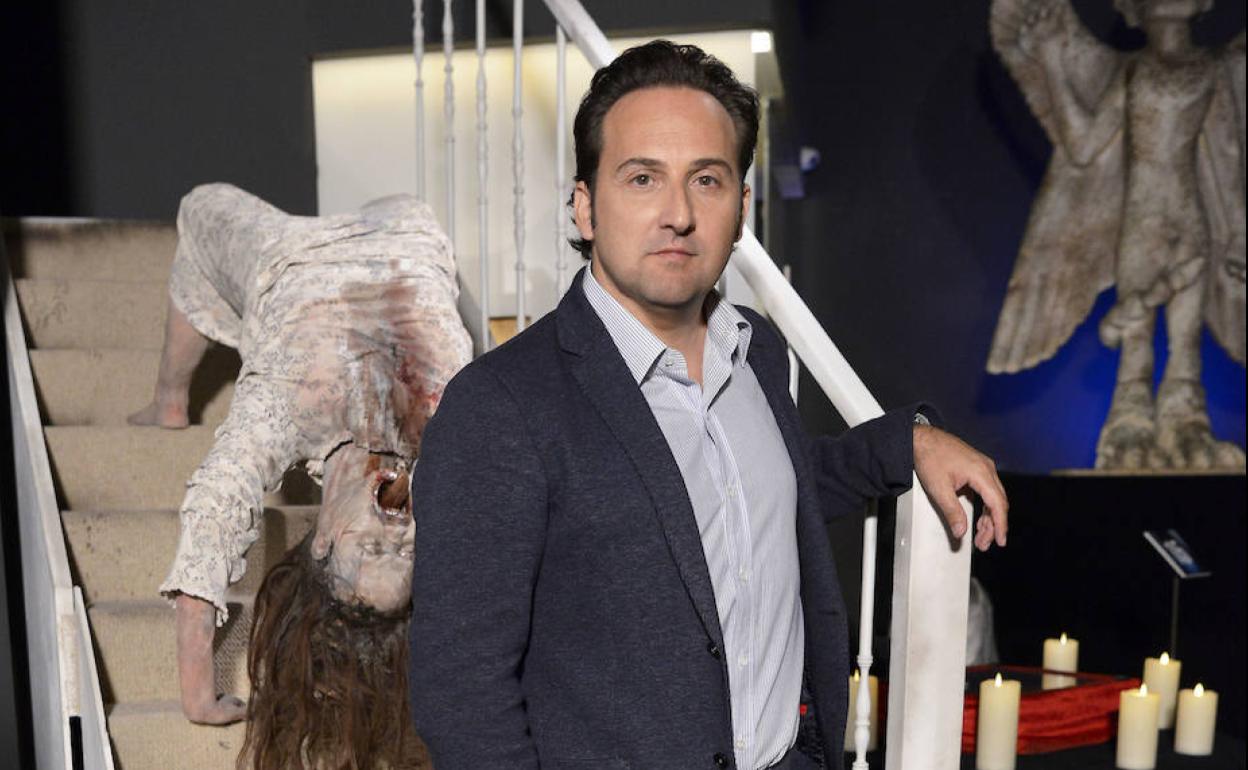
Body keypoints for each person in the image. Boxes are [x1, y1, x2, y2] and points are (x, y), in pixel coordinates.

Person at [408, 41, 1008, 770]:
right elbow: (461, 695)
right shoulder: (500, 406)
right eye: (642, 178)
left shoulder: (757, 352)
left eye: (707, 180)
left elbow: (754, 493)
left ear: (741, 207)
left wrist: (905, 442)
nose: (679, 214)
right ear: (586, 207)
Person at [136, 183, 469, 768]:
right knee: (412, 203)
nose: (396, 533)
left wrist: (197, 694)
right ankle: (169, 401)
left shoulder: (289, 408)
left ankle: (170, 399)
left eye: (372, 548)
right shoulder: (454, 431)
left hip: (290, 255)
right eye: (405, 553)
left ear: (322, 540)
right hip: (402, 233)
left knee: (199, 206)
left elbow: (213, 511)